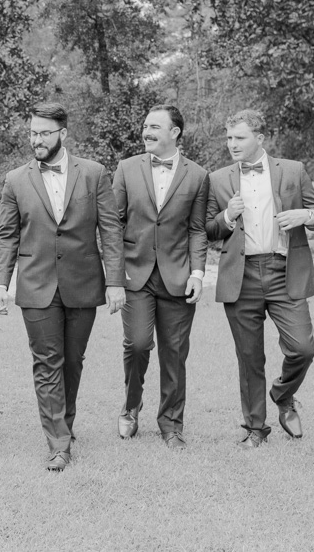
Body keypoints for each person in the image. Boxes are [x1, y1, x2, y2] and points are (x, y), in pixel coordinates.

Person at [0, 102, 123, 472]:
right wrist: (0, 283)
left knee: (73, 361)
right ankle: (59, 443)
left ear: (63, 134)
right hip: (36, 285)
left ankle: (64, 424)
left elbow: (110, 230)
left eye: (44, 133)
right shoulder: (15, 179)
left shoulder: (94, 173)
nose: (36, 139)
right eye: (32, 132)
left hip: (83, 283)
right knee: (47, 363)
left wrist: (115, 281)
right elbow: (6, 236)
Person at [206, 109, 314, 448]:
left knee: (303, 348)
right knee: (249, 356)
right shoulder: (217, 179)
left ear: (260, 138)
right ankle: (255, 427)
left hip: (284, 271)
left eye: (239, 137)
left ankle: (282, 393)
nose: (232, 144)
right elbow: (208, 230)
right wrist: (228, 215)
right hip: (240, 276)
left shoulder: (293, 170)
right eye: (229, 137)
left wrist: (306, 214)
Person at [111, 105, 209, 449]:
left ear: (175, 132)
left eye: (154, 127)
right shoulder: (126, 169)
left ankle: (171, 423)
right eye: (144, 126)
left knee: (175, 352)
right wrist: (114, 272)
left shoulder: (197, 175)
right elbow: (113, 225)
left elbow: (198, 229)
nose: (146, 132)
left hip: (178, 277)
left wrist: (197, 273)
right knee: (137, 345)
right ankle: (130, 406)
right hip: (135, 275)